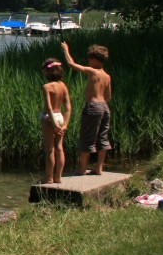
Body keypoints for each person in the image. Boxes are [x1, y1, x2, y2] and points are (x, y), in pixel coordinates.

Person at [61, 42, 112, 175]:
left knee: (87, 137)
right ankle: (99, 168)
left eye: (89, 58)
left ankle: (83, 168)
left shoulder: (92, 71)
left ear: (94, 60)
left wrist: (66, 50)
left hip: (93, 107)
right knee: (102, 137)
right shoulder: (107, 76)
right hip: (105, 108)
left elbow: (72, 65)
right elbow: (108, 96)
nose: (88, 61)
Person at [40, 58, 71, 184]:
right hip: (60, 117)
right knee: (59, 148)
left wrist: (52, 123)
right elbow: (68, 107)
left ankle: (49, 177)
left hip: (49, 118)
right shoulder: (63, 86)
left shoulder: (47, 87)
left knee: (50, 150)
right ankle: (58, 177)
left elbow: (49, 108)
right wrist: (65, 124)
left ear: (48, 72)